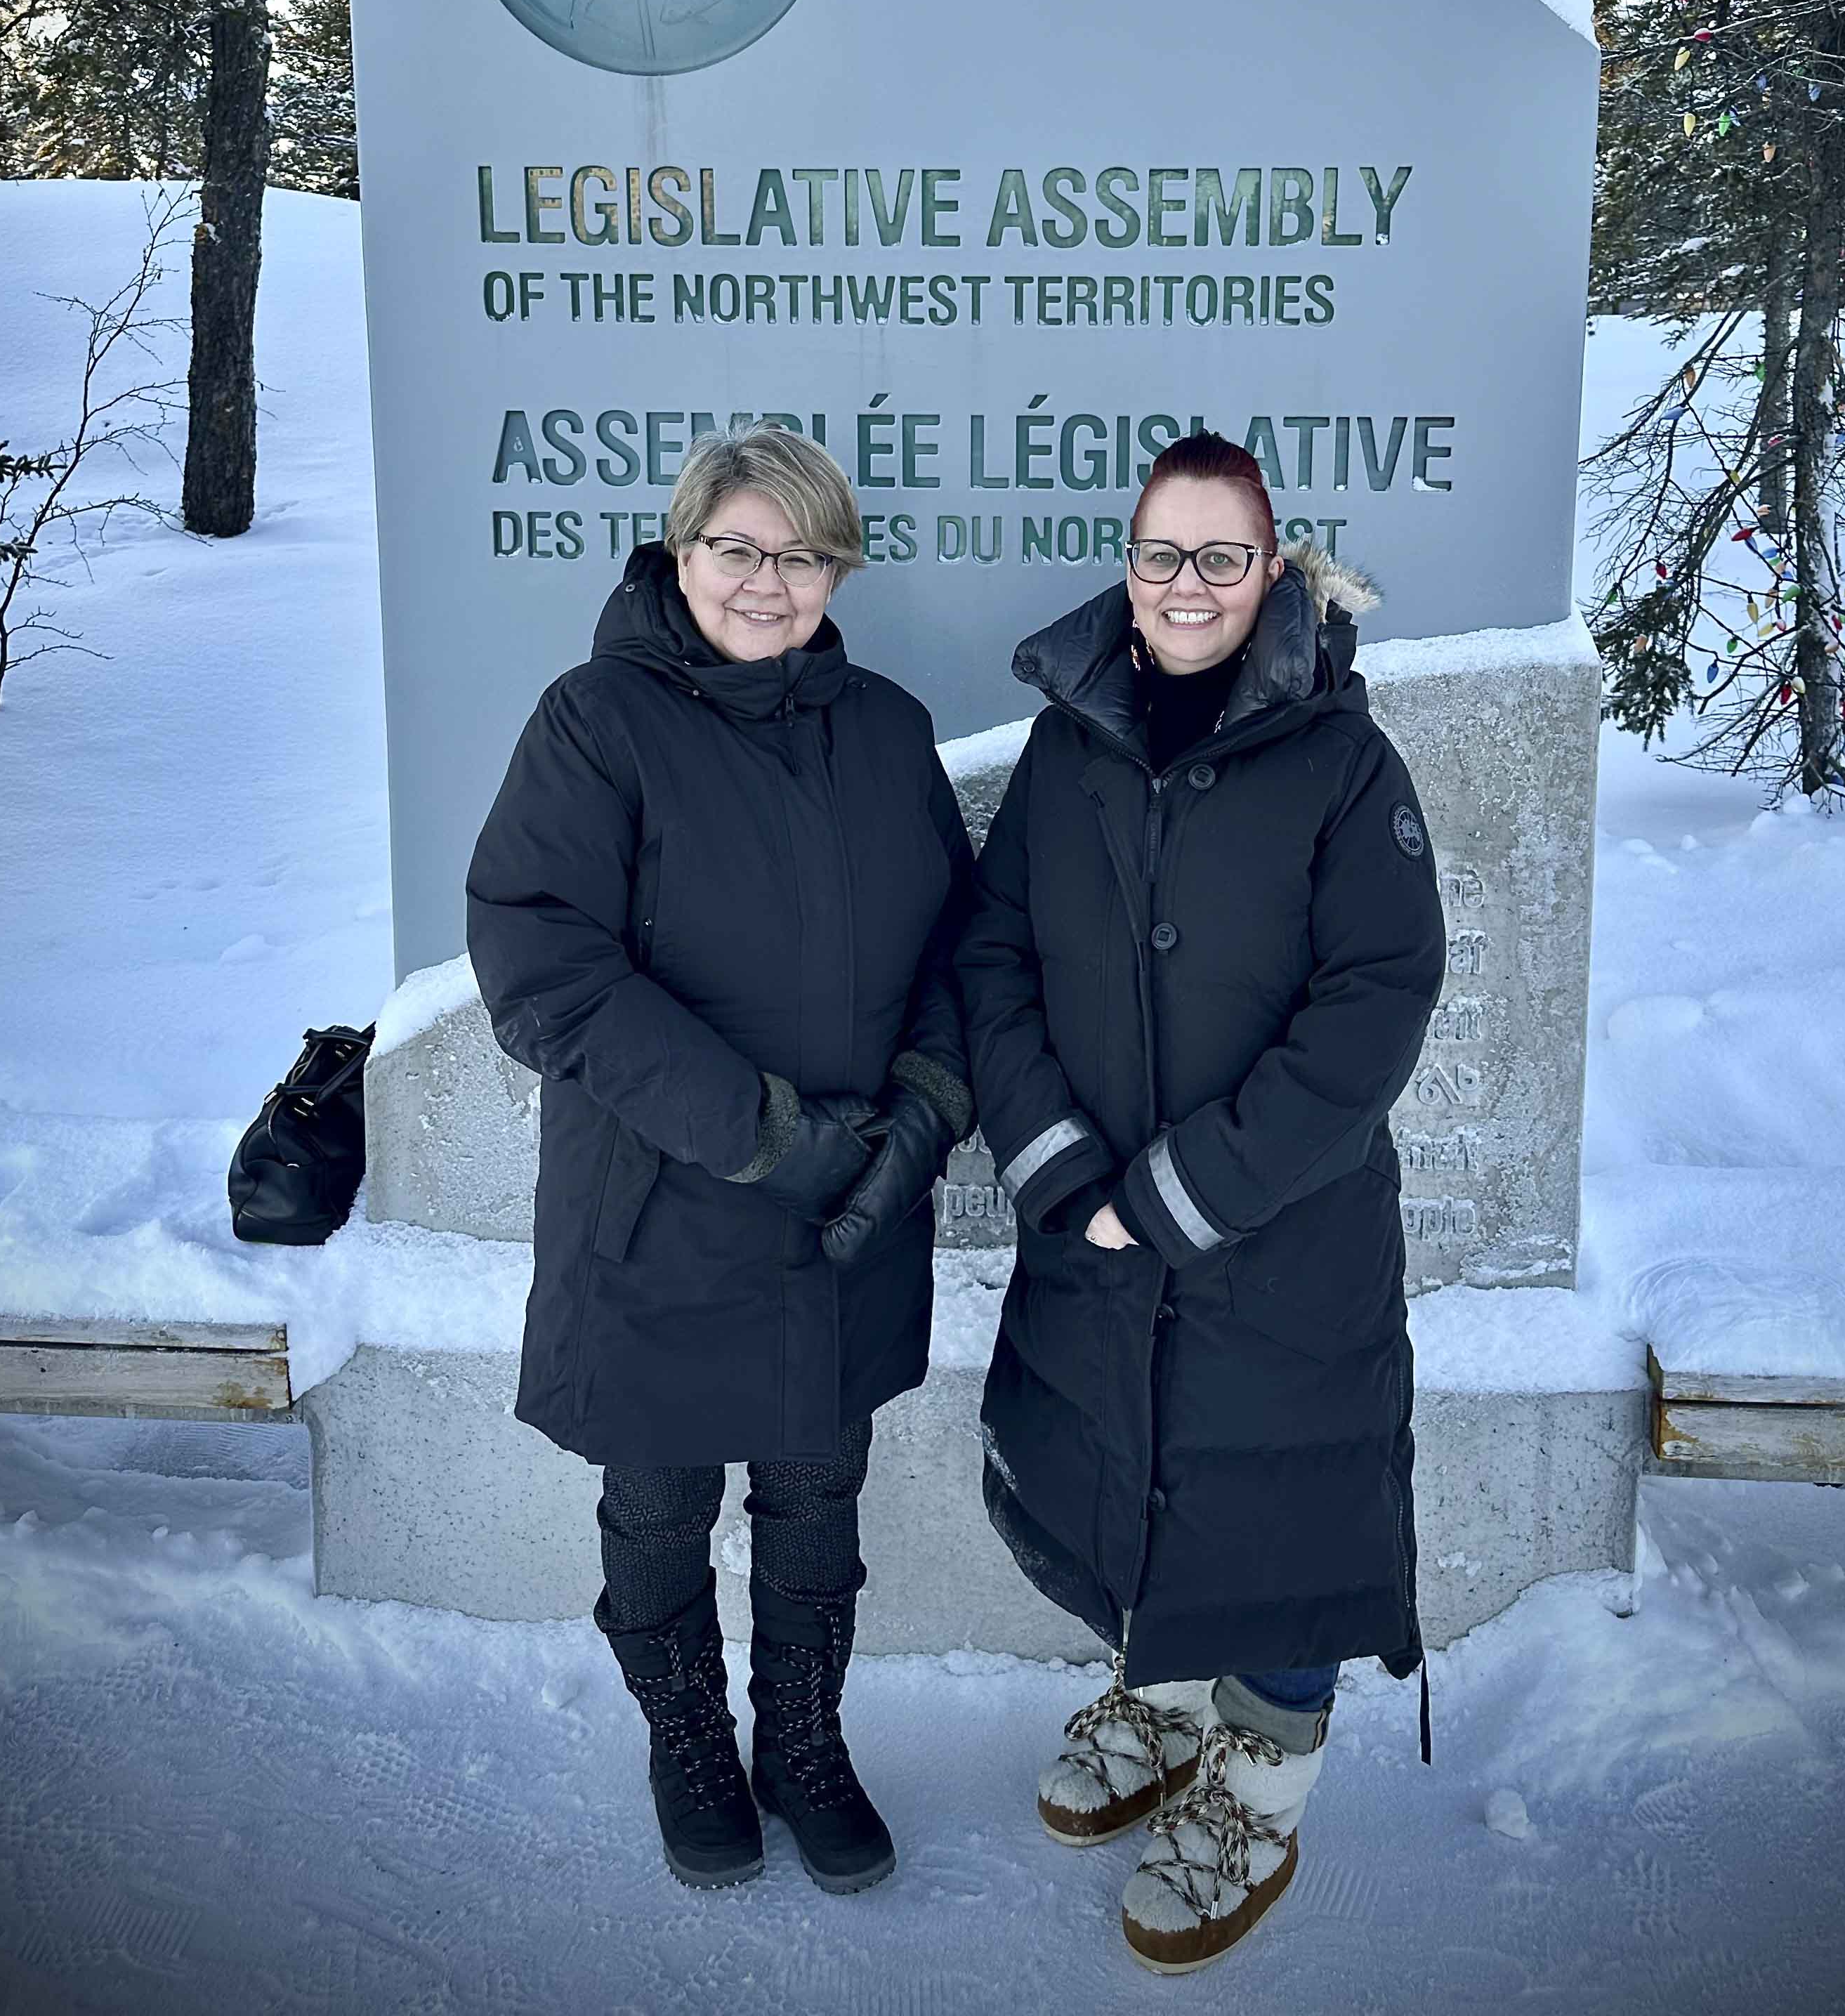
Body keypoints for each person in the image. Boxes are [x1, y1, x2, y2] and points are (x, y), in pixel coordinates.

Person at [958, 432, 1446, 1974]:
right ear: (1129, 564)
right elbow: (994, 962)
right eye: (1163, 554)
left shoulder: (1347, 765)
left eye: (1221, 557)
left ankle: (1262, 1777)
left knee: (1284, 1498)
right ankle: (1164, 1697)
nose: (1188, 585)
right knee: (1134, 1468)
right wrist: (1059, 1168)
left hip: (1279, 1242)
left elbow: (1377, 1007)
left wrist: (1180, 1195)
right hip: (1095, 1225)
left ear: (1274, 565)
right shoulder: (1067, 751)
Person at [466, 424, 975, 1898]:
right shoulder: (597, 721)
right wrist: (761, 1133)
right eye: (738, 548)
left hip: (850, 1208)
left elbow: (965, 944)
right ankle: (688, 1742)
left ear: (837, 570)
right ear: (680, 551)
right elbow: (541, 961)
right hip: (661, 1208)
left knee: (819, 1497)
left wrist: (927, 1112)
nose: (768, 582)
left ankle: (803, 1744)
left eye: (801, 553)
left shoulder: (885, 728)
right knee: (659, 1505)